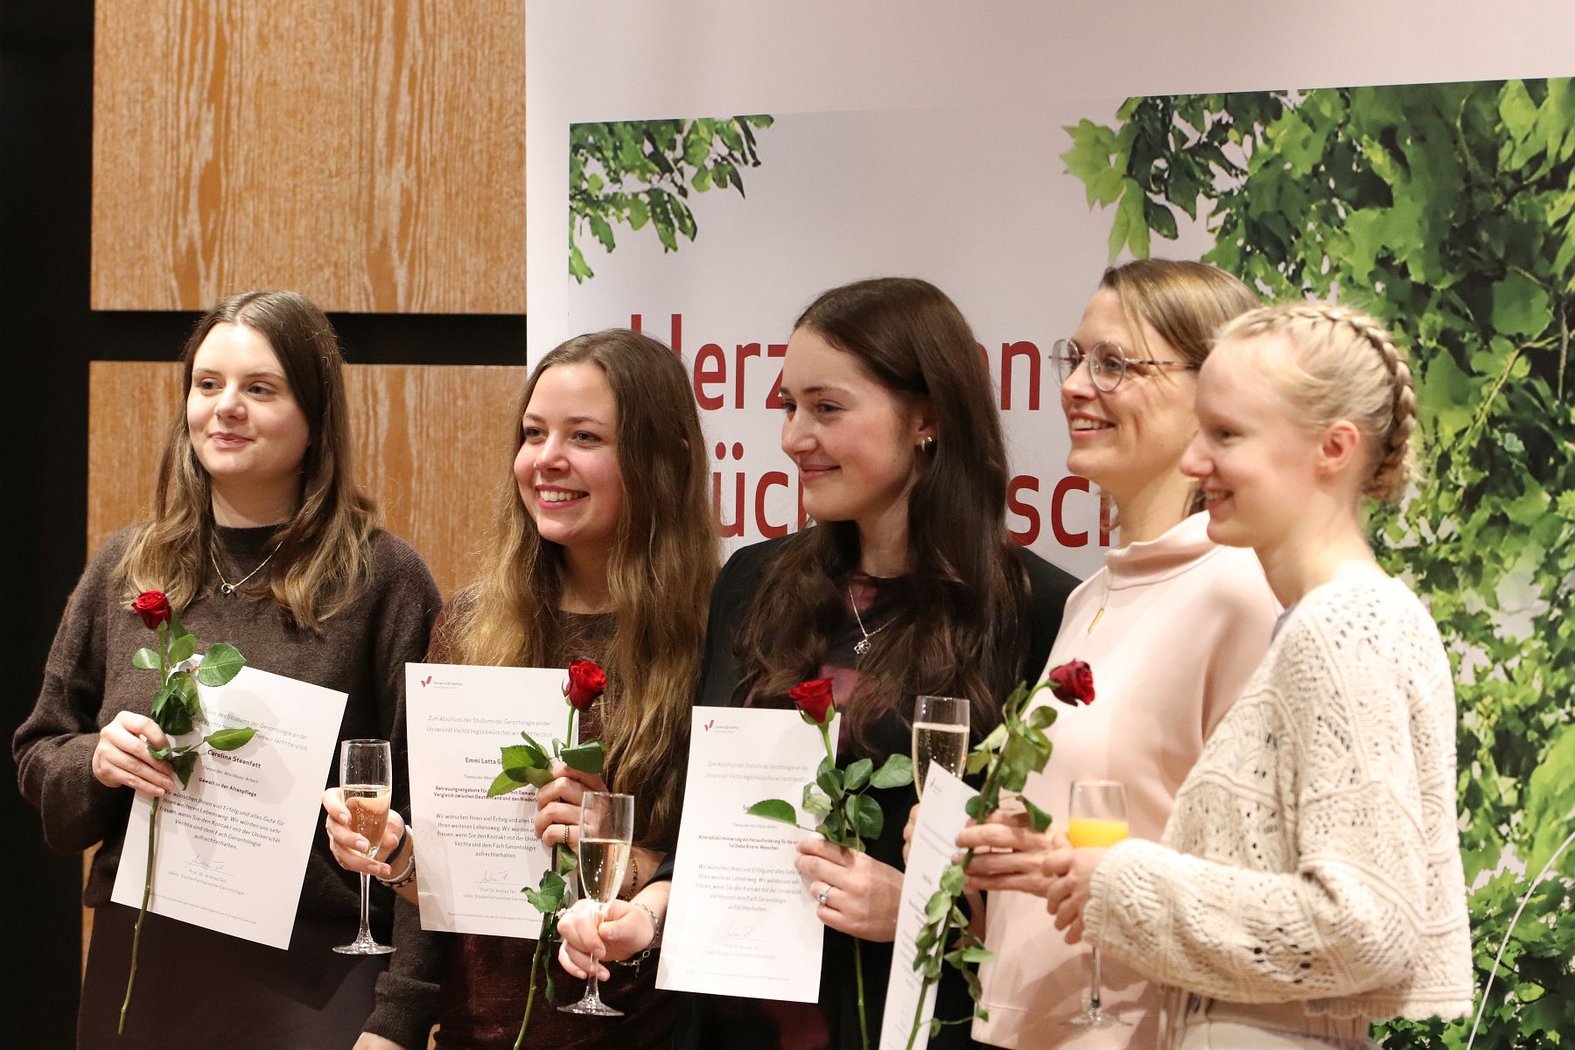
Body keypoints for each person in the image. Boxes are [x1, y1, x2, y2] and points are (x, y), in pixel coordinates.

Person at [561, 276, 1080, 1050]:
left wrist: (918, 911)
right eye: (788, 406)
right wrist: (649, 913)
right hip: (730, 1029)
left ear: (927, 418)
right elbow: (718, 826)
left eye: (826, 408)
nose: (794, 436)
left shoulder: (1033, 611)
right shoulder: (751, 584)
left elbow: (1051, 891)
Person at [13, 290, 442, 1049]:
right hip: (143, 968)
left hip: (316, 980)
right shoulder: (127, 566)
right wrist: (96, 762)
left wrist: (399, 1020)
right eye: (208, 384)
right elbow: (40, 754)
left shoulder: (383, 580)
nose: (226, 407)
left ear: (315, 418)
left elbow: (428, 822)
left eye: (260, 389)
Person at [1043, 303, 1474, 1048]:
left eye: (1226, 435)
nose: (1193, 462)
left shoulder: (1340, 627)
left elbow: (1367, 926)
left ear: (1333, 448)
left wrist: (1120, 882)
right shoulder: (1344, 616)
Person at [325, 328, 718, 1049]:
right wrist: (400, 855)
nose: (547, 459)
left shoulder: (720, 634)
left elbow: (739, 877)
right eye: (534, 433)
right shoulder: (472, 626)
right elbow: (445, 894)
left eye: (585, 437)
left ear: (664, 458)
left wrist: (627, 860)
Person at [949, 260, 1279, 1048]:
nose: (1073, 387)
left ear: (1214, 393)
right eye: (1074, 359)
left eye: (1113, 364)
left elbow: (1268, 892)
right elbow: (1076, 856)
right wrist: (990, 858)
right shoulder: (1091, 595)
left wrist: (1080, 870)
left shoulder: (1240, 590)